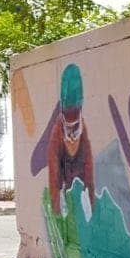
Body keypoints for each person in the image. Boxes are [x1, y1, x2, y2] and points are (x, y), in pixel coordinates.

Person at [48, 63, 95, 215]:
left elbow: (90, 175)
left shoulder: (84, 131)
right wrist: (57, 211)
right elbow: (53, 180)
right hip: (64, 191)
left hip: (79, 190)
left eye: (75, 128)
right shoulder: (56, 134)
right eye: (68, 128)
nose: (72, 136)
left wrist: (90, 202)